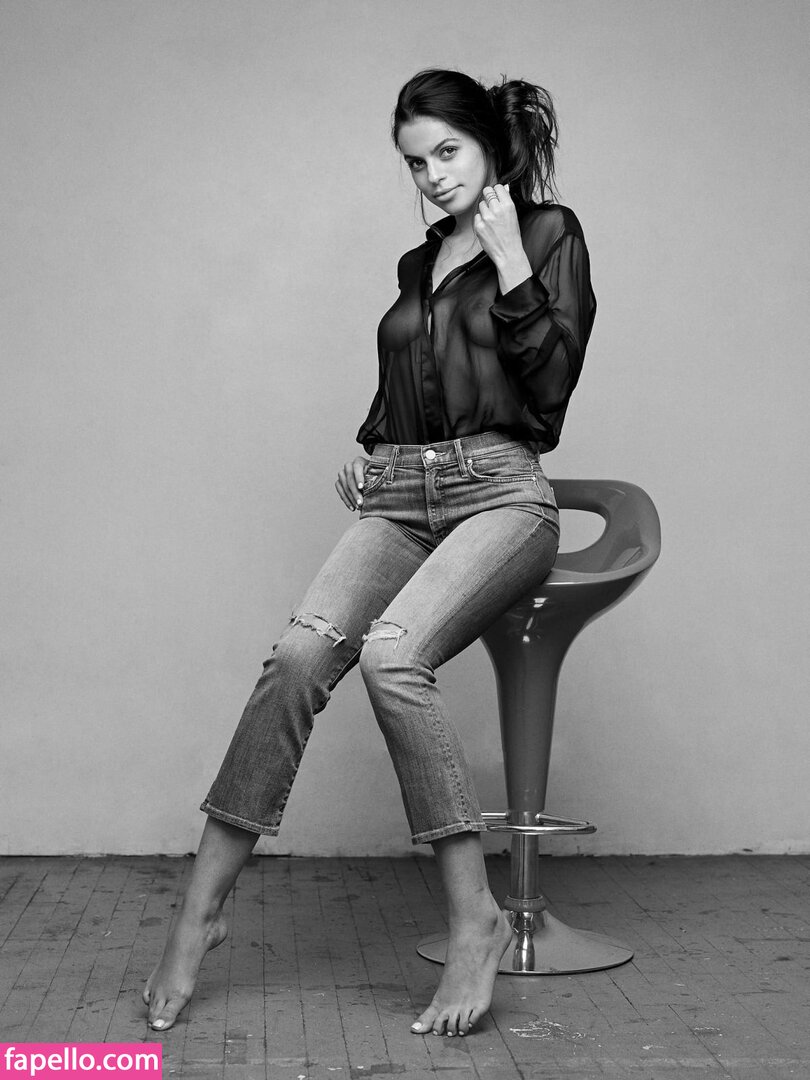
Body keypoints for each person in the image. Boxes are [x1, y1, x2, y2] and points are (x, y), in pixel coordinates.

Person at [144, 67, 595, 1039]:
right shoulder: (417, 262)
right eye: (416, 162)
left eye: (448, 152)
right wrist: (374, 447)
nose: (433, 175)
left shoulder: (549, 233)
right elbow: (412, 380)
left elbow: (550, 392)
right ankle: (199, 912)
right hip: (399, 496)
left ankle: (473, 918)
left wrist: (512, 260)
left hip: (502, 494)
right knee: (298, 656)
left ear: (488, 145)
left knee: (393, 657)